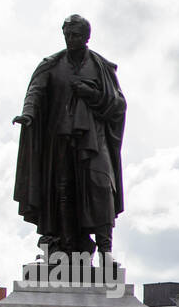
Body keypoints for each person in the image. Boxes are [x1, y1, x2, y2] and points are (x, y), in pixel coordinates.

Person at [13, 15, 125, 259]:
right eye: (67, 35)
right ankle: (68, 247)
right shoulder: (51, 65)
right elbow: (35, 92)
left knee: (102, 187)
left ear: (86, 37)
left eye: (75, 35)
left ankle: (106, 252)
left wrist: (92, 95)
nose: (70, 39)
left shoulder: (101, 67)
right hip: (60, 140)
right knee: (63, 191)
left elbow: (118, 103)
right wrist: (28, 114)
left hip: (94, 140)